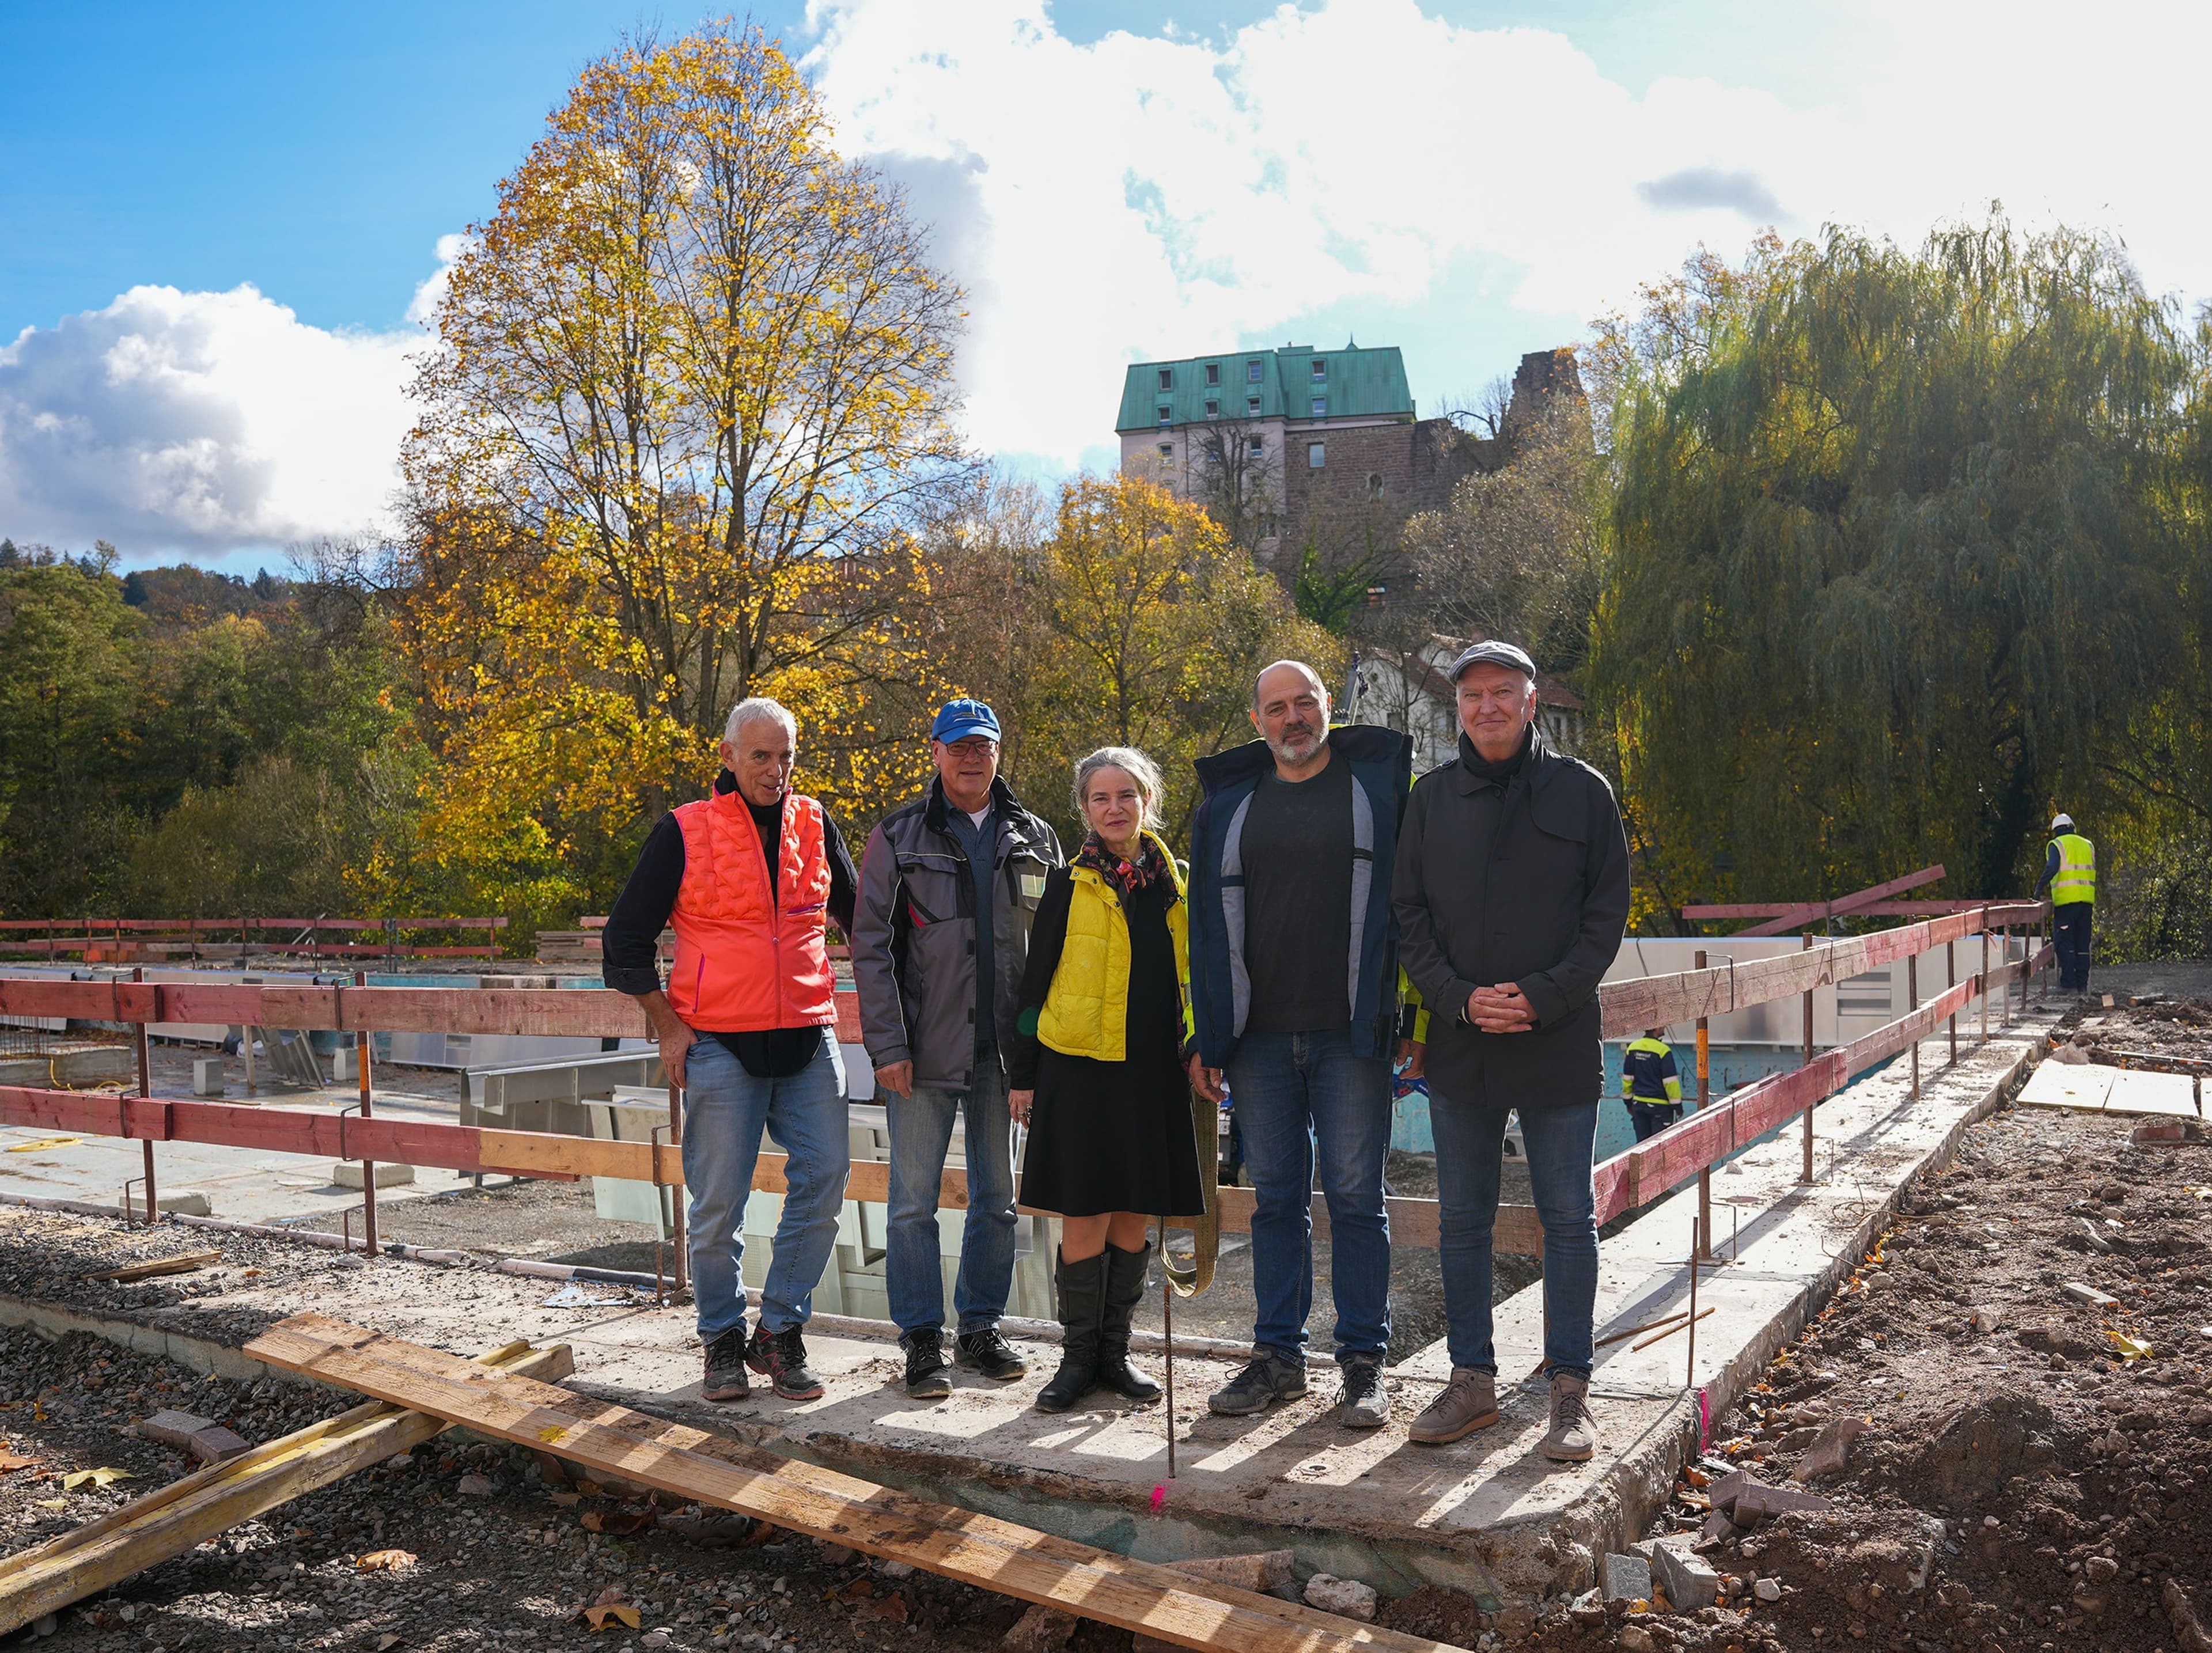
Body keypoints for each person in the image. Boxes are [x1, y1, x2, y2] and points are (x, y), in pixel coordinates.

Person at [1392, 640, 1630, 1461]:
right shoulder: (1430, 799)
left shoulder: (1584, 792)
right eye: (1473, 696)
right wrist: (1458, 997)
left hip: (1556, 1037)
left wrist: (1544, 993)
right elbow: (1409, 916)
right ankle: (1472, 1381)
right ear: (1456, 709)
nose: (1487, 706)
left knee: (1568, 1217)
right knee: (1463, 1220)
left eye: (1502, 692)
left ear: (1530, 702)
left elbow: (1606, 915)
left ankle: (1570, 1389)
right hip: (1463, 1042)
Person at [603, 697, 858, 1405]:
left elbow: (862, 916)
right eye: (761, 756)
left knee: (828, 1178)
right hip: (716, 1040)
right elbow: (622, 942)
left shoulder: (814, 822)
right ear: (728, 756)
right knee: (718, 1205)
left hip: (810, 1035)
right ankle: (721, 1337)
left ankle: (778, 1331)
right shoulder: (684, 830)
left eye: (786, 756)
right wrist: (667, 1023)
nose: (776, 771)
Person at [1185, 661, 1414, 1429]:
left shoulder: (1375, 792)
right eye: (1277, 708)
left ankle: (1362, 1365)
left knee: (1357, 1198)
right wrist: (1209, 1032)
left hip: (1351, 1034)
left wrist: (1410, 1015)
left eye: (1305, 703)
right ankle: (1279, 1359)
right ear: (1258, 720)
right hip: (1256, 1041)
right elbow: (1207, 932)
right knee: (1277, 1201)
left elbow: (1410, 909)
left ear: (1329, 709)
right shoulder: (1229, 805)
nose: (1293, 718)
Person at [852, 698, 1063, 1399]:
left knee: (998, 1199)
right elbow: (870, 947)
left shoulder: (1036, 838)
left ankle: (979, 1326)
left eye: (984, 745)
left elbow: (1055, 956)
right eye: (958, 745)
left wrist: (1043, 1057)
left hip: (1005, 1054)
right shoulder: (898, 834)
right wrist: (887, 1044)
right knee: (912, 1201)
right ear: (936, 751)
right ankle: (920, 1339)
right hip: (922, 1053)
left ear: (1000, 751)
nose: (971, 757)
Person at [1008, 747, 1205, 1413]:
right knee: (1084, 1210)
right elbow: (1035, 985)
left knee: (1132, 1209)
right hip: (1079, 1065)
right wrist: (1024, 1074)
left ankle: (1116, 1353)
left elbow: (1196, 972)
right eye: (1100, 797)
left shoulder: (1178, 883)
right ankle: (1077, 1359)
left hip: (1152, 1067)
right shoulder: (1068, 882)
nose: (1114, 807)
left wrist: (1202, 1043)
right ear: (1085, 808)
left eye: (1126, 794)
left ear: (1147, 800)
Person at [2037, 812, 2096, 996]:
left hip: (2066, 902)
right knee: (2082, 944)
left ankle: (2068, 984)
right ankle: (2081, 985)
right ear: (2072, 827)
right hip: (2086, 902)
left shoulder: (2057, 845)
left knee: (2064, 943)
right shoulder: (2088, 845)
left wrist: (2039, 889)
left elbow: (2052, 867)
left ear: (2056, 831)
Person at [1621, 1028, 1683, 1142]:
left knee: (1641, 1147)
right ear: (1657, 1027)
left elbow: (1627, 1079)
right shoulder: (1663, 1051)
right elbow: (1670, 1082)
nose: (1665, 1027)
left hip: (1639, 1105)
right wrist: (1678, 1106)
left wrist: (1628, 1103)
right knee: (1659, 1148)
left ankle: (1639, 1161)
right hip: (1660, 1108)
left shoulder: (1633, 1048)